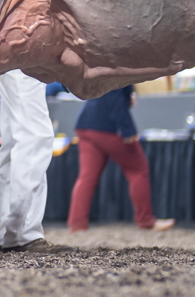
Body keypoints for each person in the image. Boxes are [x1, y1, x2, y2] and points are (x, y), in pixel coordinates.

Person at [67, 85, 175, 233]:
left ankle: (77, 224)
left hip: (86, 123)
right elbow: (115, 98)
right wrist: (127, 130)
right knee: (138, 168)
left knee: (87, 177)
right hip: (107, 126)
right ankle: (146, 221)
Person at [0, 70, 54, 252]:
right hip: (25, 61)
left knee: (14, 137)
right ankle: (22, 231)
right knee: (36, 135)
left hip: (10, 65)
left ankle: (3, 231)